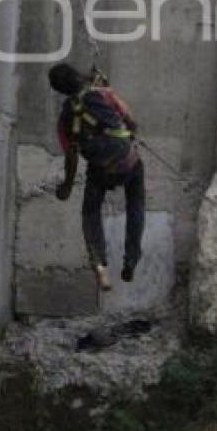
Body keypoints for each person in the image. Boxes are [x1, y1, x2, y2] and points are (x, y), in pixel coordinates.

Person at [49, 64, 146, 292]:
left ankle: (100, 264)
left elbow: (71, 158)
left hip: (99, 169)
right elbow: (131, 122)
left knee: (91, 212)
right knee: (136, 205)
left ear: (60, 91)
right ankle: (131, 258)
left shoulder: (65, 118)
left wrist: (67, 187)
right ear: (77, 75)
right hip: (127, 162)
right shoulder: (104, 94)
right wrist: (129, 131)